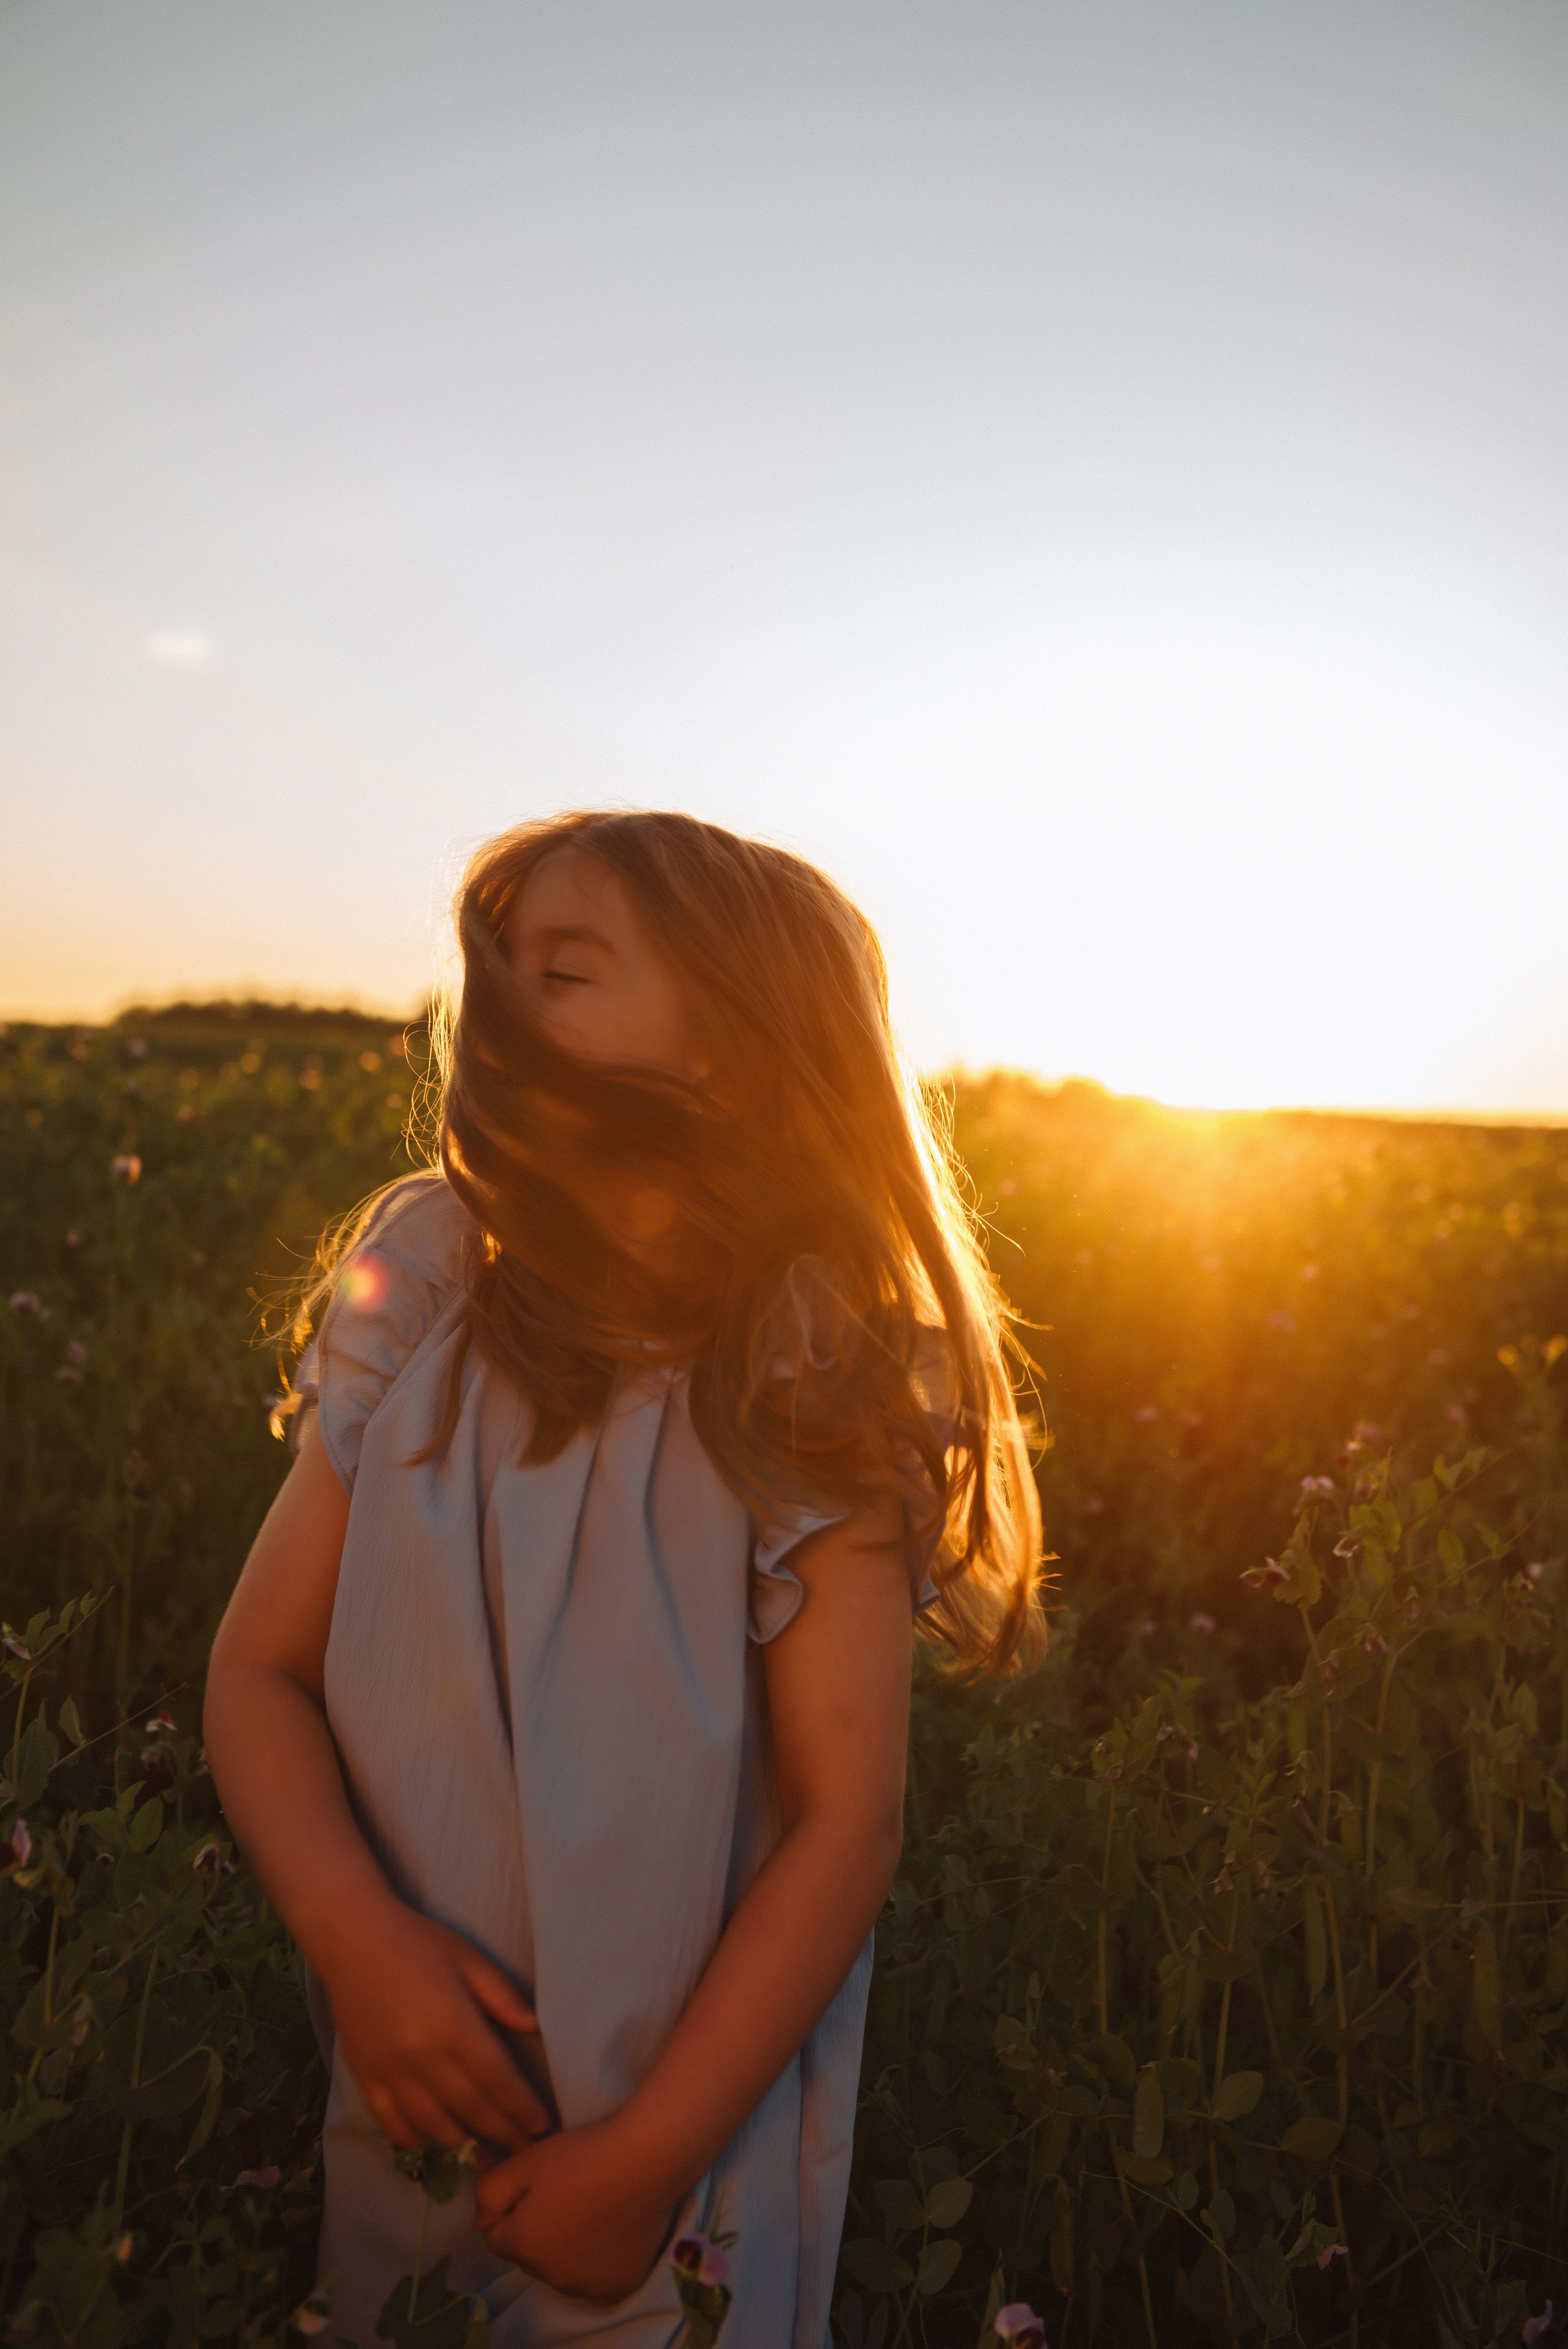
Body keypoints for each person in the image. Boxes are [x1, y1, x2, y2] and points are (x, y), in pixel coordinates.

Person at [204, 810, 1044, 2347]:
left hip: (675, 2138)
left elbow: (844, 1821)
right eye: (499, 973)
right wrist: (356, 1936)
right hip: (415, 2075)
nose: (499, 1011)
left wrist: (646, 2156)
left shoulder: (806, 1361)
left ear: (732, 1041)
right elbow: (254, 1671)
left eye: (565, 973)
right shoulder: (436, 1281)